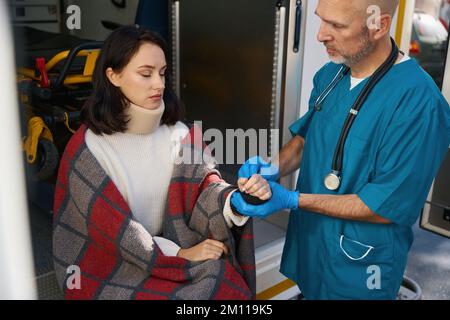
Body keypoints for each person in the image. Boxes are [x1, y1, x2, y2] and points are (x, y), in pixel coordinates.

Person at [231, 0, 450, 300]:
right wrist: (273, 167)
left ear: (379, 26)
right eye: (322, 20)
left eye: (336, 25)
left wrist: (291, 199)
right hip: (313, 243)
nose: (320, 35)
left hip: (361, 264)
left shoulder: (419, 104)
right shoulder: (331, 75)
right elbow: (307, 139)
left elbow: (383, 206)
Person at [52, 25, 263, 300]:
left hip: (171, 247)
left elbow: (206, 188)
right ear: (113, 75)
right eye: (146, 73)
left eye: (162, 73)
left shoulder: (181, 134)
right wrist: (179, 254)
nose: (159, 84)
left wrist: (234, 200)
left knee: (222, 284)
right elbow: (113, 236)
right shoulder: (88, 149)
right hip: (112, 264)